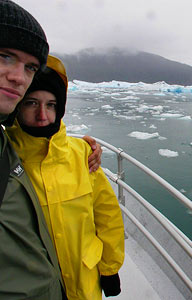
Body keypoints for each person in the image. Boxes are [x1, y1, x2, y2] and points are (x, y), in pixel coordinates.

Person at [0, 1, 101, 298]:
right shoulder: (15, 148)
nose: (19, 77)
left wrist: (109, 268)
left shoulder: (8, 147)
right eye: (5, 56)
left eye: (30, 67)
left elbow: (106, 212)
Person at [6, 54, 125, 300]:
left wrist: (110, 269)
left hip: (85, 281)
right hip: (35, 288)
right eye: (31, 103)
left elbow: (107, 216)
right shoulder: (6, 158)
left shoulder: (82, 154)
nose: (43, 115)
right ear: (18, 106)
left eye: (51, 105)